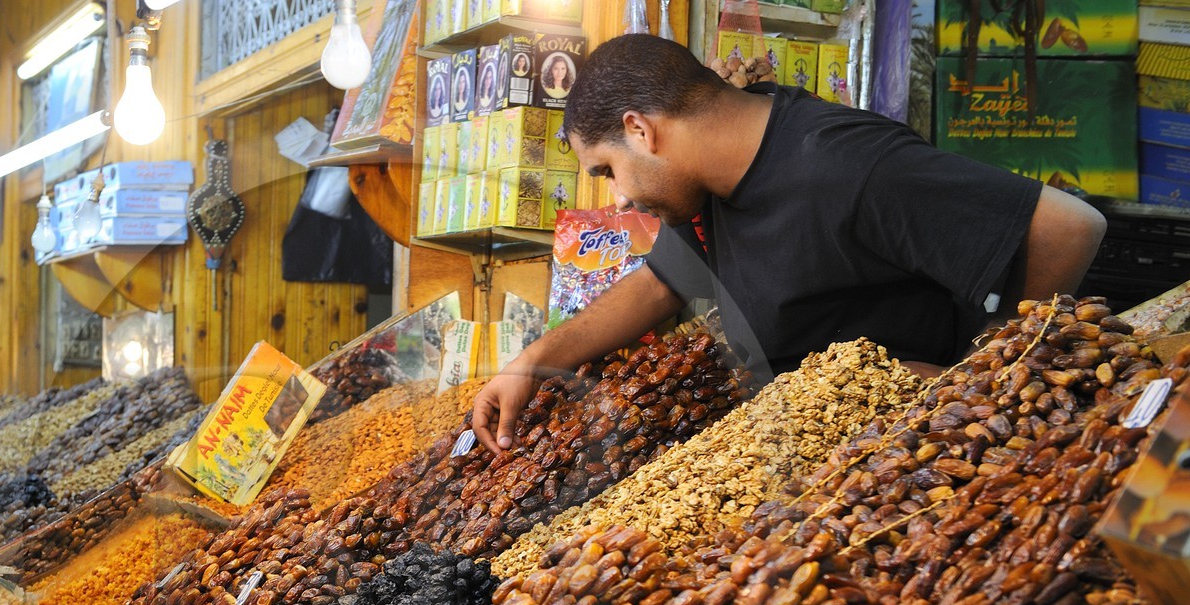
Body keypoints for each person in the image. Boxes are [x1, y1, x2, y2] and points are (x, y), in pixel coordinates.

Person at [472, 34, 1106, 454]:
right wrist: (535, 358)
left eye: (608, 170)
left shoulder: (847, 168)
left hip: (930, 452)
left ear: (641, 130)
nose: (618, 200)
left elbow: (1067, 226)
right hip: (829, 452)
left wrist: (977, 382)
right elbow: (660, 281)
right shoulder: (714, 182)